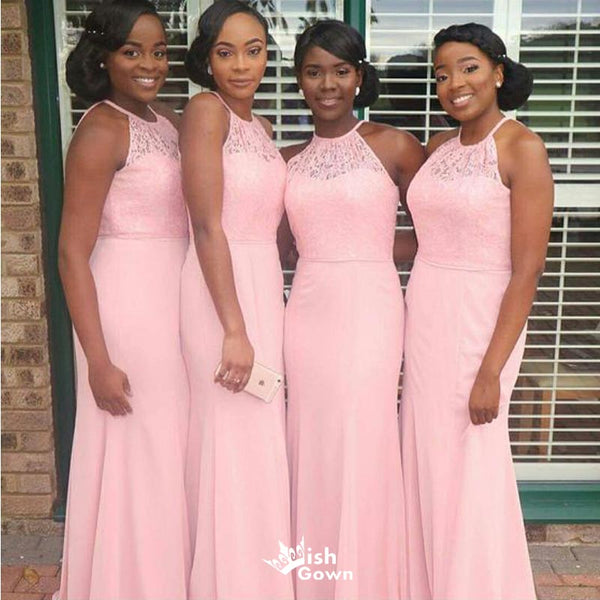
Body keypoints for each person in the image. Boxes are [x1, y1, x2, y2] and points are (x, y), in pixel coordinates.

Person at [400, 22, 553, 600]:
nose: (454, 83)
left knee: (472, 460)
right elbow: (426, 238)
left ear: (497, 72)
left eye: (468, 68)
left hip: (480, 325)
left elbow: (527, 270)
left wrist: (491, 370)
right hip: (426, 317)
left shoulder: (521, 148)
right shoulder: (439, 147)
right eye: (442, 74)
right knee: (429, 457)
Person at [279, 19, 425, 600]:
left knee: (363, 436)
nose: (328, 84)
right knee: (311, 438)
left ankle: (367, 582)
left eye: (340, 71)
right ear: (299, 80)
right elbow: (279, 247)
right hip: (306, 312)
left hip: (371, 309)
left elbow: (439, 229)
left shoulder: (394, 145)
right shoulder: (286, 160)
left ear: (360, 77)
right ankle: (314, 581)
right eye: (313, 72)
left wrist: (370, 250)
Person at [55, 1, 190, 598]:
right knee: (140, 447)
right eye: (132, 51)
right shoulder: (101, 129)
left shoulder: (167, 121)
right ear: (103, 57)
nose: (149, 64)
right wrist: (99, 360)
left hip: (175, 299)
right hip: (127, 306)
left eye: (159, 51)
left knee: (170, 448)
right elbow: (70, 253)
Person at [179, 1, 293, 598]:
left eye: (253, 51)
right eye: (226, 53)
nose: (242, 65)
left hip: (262, 285)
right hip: (220, 291)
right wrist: (234, 327)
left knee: (258, 436)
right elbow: (206, 225)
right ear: (207, 59)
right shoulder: (206, 112)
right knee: (229, 438)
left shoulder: (262, 128)